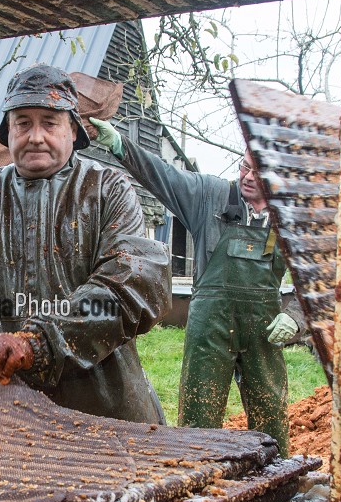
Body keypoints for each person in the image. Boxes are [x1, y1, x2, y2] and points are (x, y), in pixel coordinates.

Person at [0, 64, 171, 423]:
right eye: (23, 123)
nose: (35, 136)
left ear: (73, 130)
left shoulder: (107, 191)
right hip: (0, 414)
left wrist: (37, 344)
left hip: (103, 411)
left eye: (49, 122)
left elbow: (133, 286)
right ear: (8, 133)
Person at [90, 119, 298, 451]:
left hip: (265, 328)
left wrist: (296, 318)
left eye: (257, 172)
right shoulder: (210, 195)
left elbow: (319, 276)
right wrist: (120, 146)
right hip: (210, 327)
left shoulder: (290, 218)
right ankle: (196, 480)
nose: (246, 176)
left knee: (270, 410)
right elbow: (164, 175)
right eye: (244, 166)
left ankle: (280, 478)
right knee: (199, 412)